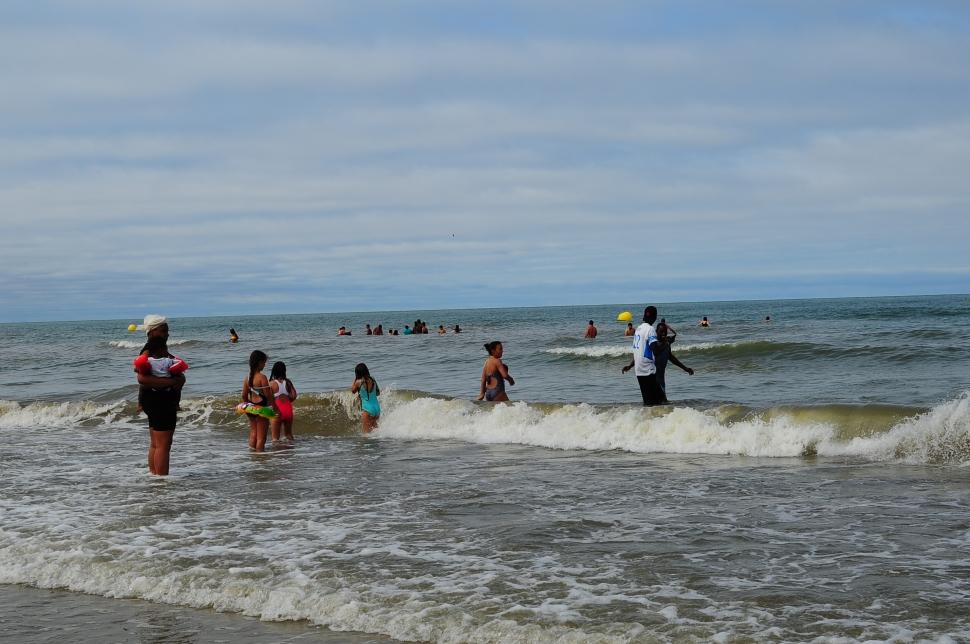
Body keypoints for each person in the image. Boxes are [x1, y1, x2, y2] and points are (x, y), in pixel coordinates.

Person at [133, 319, 187, 476]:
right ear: (151, 332)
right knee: (164, 445)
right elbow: (141, 378)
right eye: (163, 330)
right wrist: (173, 381)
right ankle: (162, 483)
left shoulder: (153, 349)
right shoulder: (149, 350)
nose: (167, 334)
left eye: (167, 330)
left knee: (156, 444)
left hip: (151, 399)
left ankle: (154, 476)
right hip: (161, 400)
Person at [621, 306, 667, 406]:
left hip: (639, 371)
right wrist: (666, 343)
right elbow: (655, 349)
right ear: (655, 317)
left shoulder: (638, 329)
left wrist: (630, 366)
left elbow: (639, 351)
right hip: (648, 371)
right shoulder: (650, 329)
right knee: (661, 402)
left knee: (648, 403)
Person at [242, 350, 274, 452]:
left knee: (253, 433)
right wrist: (275, 408)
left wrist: (248, 406)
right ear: (259, 362)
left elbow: (244, 395)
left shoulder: (247, 378)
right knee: (261, 438)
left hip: (251, 407)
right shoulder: (262, 377)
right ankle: (260, 458)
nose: (264, 365)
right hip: (261, 407)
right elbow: (268, 395)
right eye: (264, 362)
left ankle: (252, 454)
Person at [654, 321, 693, 395]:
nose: (663, 334)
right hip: (652, 380)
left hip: (661, 380)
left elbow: (671, 358)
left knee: (661, 405)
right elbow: (656, 351)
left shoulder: (666, 344)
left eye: (665, 332)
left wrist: (685, 368)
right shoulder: (654, 344)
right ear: (656, 332)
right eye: (661, 332)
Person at [270, 361, 298, 443]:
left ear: (274, 371)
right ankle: (290, 453)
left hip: (277, 410)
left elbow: (268, 398)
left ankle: (278, 454)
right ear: (284, 371)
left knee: (275, 438)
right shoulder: (288, 382)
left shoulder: (271, 383)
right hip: (288, 409)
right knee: (289, 435)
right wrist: (288, 400)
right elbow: (294, 395)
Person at [351, 363, 381, 433]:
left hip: (367, 409)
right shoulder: (373, 379)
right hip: (377, 409)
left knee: (366, 436)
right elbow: (378, 393)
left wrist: (355, 378)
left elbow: (353, 391)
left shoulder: (358, 382)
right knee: (375, 434)